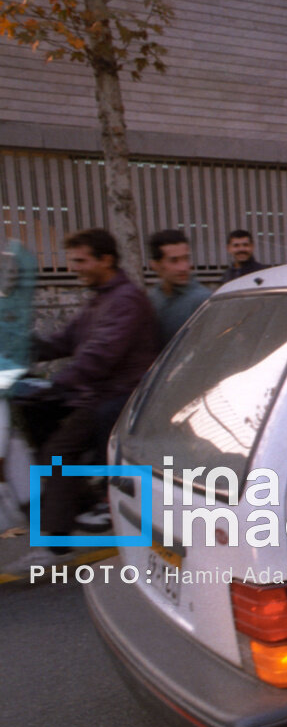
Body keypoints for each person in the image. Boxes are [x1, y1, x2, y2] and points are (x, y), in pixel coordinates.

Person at [5, 230, 157, 572]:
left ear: (105, 259)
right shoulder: (99, 299)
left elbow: (98, 357)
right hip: (91, 392)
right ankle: (79, 505)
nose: (75, 268)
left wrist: (56, 383)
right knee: (44, 435)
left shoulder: (126, 300)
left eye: (81, 260)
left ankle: (54, 544)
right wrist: (23, 345)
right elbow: (66, 340)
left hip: (116, 397)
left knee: (57, 453)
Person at [147, 230, 211, 347]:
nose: (183, 267)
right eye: (174, 261)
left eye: (186, 258)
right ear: (155, 265)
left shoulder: (202, 300)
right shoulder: (153, 298)